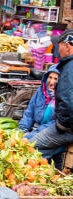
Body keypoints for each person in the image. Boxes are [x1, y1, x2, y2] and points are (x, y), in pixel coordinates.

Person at [29, 29, 73, 165]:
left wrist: (62, 125)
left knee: (31, 145)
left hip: (68, 126)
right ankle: (55, 167)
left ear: (67, 46)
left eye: (58, 46)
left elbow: (68, 102)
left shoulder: (69, 67)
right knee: (44, 147)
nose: (57, 50)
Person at [19, 67, 65, 168]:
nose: (51, 82)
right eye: (50, 77)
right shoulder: (40, 92)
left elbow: (54, 124)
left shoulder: (62, 99)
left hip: (52, 134)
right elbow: (29, 113)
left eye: (56, 79)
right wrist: (23, 130)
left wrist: (31, 135)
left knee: (36, 156)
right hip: (34, 131)